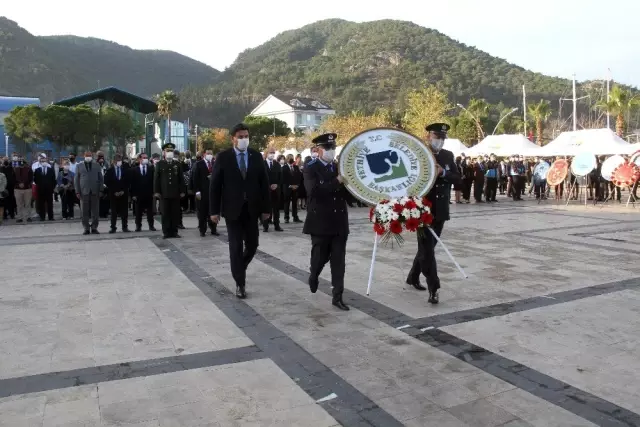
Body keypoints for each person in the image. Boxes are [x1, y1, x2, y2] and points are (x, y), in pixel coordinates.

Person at [209, 123, 271, 299]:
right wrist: (214, 211)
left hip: (252, 209)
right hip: (232, 210)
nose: (244, 139)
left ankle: (239, 267)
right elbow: (215, 186)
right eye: (241, 136)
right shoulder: (223, 157)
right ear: (233, 139)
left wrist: (266, 209)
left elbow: (264, 184)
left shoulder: (256, 156)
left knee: (252, 245)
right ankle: (240, 283)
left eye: (246, 136)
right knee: (235, 247)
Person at [406, 123, 460, 304]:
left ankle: (413, 276)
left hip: (441, 210)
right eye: (437, 137)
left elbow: (457, 178)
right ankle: (434, 287)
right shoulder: (418, 154)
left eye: (443, 138)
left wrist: (443, 172)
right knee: (427, 250)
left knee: (428, 248)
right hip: (422, 210)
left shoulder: (447, 155)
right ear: (428, 136)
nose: (440, 141)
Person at [303, 133, 350, 311]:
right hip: (320, 222)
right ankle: (314, 274)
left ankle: (337, 296)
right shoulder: (310, 167)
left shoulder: (339, 167)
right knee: (319, 258)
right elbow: (314, 191)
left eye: (333, 148)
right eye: (327, 148)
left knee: (339, 261)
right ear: (317, 150)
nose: (331, 151)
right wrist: (336, 181)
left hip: (339, 222)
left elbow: (347, 192)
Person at [154, 143, 186, 239]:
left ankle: (174, 231)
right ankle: (166, 232)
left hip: (175, 193)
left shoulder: (177, 164)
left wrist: (182, 191)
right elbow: (156, 179)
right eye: (168, 151)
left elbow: (181, 179)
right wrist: (157, 192)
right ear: (164, 152)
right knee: (165, 214)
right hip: (164, 194)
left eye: (171, 151)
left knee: (175, 213)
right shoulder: (160, 164)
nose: (169, 153)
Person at [75, 151, 104, 235]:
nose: (88, 157)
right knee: (84, 211)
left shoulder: (97, 165)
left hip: (95, 191)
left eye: (90, 155)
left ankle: (94, 227)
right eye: (87, 155)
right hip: (84, 191)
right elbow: (76, 179)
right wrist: (77, 191)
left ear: (92, 156)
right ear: (84, 156)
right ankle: (86, 228)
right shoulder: (79, 166)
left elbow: (101, 178)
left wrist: (101, 189)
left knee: (95, 211)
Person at [192, 149, 218, 237]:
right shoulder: (198, 164)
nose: (209, 155)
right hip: (202, 192)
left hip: (213, 193)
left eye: (211, 153)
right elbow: (195, 179)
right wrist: (197, 191)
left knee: (213, 211)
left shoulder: (215, 164)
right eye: (208, 153)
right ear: (204, 154)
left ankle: (213, 229)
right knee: (202, 212)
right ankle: (202, 230)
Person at [130, 153, 157, 232]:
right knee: (138, 212)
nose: (145, 159)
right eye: (143, 157)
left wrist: (154, 192)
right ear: (139, 159)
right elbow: (132, 183)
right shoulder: (135, 170)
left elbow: (153, 181)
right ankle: (138, 226)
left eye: (146, 157)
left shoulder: (151, 169)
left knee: (150, 212)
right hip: (138, 195)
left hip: (149, 194)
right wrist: (133, 194)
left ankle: (151, 226)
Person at [104, 154, 131, 233]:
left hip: (123, 193)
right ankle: (113, 227)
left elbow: (128, 181)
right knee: (114, 212)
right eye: (117, 160)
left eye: (120, 160)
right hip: (113, 194)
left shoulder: (125, 170)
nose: (119, 162)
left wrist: (123, 190)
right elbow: (107, 182)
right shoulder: (110, 171)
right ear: (114, 161)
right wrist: (114, 191)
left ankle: (125, 227)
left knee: (124, 212)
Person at [262, 146, 283, 232]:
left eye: (273, 153)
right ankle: (265, 226)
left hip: (275, 190)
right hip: (266, 190)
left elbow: (281, 177)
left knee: (276, 209)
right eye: (271, 152)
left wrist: (277, 185)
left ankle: (277, 225)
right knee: (265, 208)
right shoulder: (262, 164)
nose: (272, 154)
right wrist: (268, 185)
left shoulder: (277, 164)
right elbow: (260, 177)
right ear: (266, 153)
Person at [33, 156, 56, 221]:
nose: (44, 162)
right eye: (42, 161)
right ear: (40, 162)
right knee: (41, 204)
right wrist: (40, 185)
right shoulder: (37, 170)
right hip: (40, 190)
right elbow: (35, 180)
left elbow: (54, 180)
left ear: (47, 161)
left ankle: (50, 217)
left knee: (50, 204)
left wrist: (52, 188)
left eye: (45, 161)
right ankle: (42, 217)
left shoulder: (51, 169)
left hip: (49, 190)